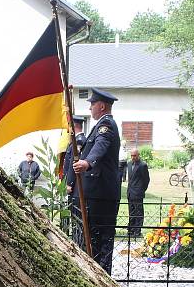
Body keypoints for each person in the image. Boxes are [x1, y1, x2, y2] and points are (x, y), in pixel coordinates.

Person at [72, 88, 121, 273]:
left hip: (100, 194)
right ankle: (94, 273)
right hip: (95, 193)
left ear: (101, 106)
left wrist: (87, 162)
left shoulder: (106, 125)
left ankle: (101, 275)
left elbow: (101, 145)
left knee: (100, 239)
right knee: (90, 238)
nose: (90, 108)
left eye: (92, 104)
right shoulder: (99, 124)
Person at [64, 117, 87, 249]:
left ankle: (79, 245)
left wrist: (69, 183)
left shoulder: (79, 141)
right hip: (73, 187)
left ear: (73, 127)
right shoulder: (75, 141)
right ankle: (77, 241)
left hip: (75, 187)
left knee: (77, 218)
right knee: (74, 217)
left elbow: (74, 163)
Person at [127, 148, 150, 238]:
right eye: (132, 155)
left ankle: (137, 230)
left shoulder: (142, 165)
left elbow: (146, 180)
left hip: (138, 192)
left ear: (138, 155)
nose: (133, 157)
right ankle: (131, 229)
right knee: (131, 211)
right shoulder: (129, 164)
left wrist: (141, 189)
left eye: (135, 155)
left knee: (138, 212)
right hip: (130, 192)